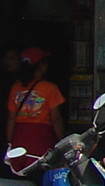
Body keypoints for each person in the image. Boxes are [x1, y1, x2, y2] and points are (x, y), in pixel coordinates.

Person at [6, 48, 66, 176]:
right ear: (41, 66)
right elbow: (56, 119)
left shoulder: (15, 88)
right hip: (41, 142)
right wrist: (62, 141)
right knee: (40, 180)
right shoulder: (50, 88)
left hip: (19, 141)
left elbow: (11, 119)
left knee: (20, 180)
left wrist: (11, 142)